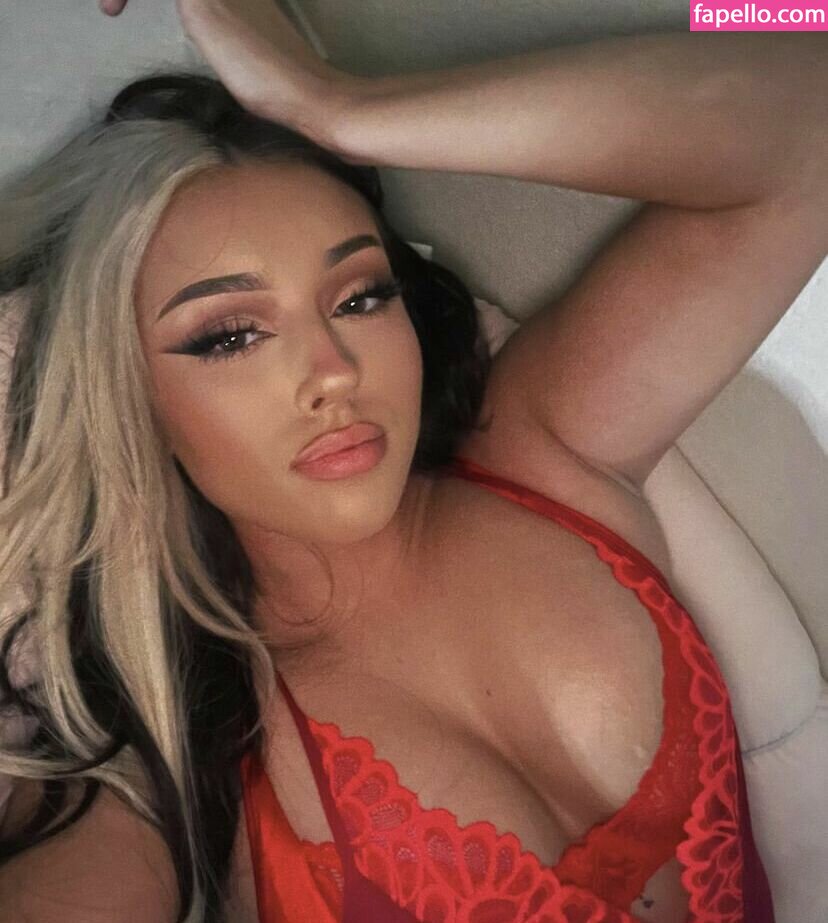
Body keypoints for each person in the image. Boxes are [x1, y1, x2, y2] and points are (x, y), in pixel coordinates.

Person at [0, 2, 824, 921]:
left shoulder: (542, 454)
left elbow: (809, 125)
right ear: (130, 400)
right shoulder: (170, 760)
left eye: (359, 296)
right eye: (231, 335)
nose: (334, 372)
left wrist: (332, 104)